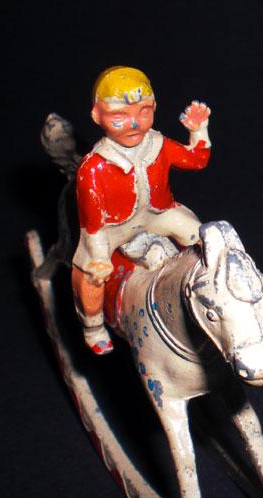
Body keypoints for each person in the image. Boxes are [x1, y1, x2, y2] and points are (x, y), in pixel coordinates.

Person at [72, 66, 212, 354]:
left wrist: (198, 129)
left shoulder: (158, 145)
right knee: (90, 271)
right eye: (119, 116)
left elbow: (196, 160)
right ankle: (93, 325)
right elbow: (92, 223)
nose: (134, 124)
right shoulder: (94, 167)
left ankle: (212, 287)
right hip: (113, 228)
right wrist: (98, 256)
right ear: (97, 116)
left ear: (155, 108)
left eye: (143, 112)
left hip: (159, 214)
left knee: (204, 237)